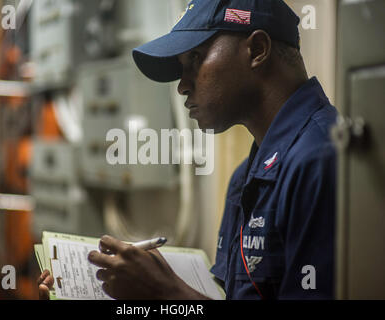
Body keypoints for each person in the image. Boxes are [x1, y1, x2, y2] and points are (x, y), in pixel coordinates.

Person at [38, 0, 337, 300]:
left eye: (195, 57)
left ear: (257, 49)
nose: (182, 86)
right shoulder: (245, 179)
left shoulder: (322, 159)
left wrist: (165, 292)